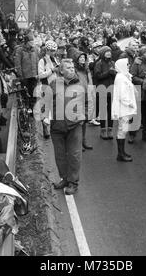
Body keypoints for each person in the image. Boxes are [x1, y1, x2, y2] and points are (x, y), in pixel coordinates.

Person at [51, 59, 85, 196]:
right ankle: (64, 179)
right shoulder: (54, 83)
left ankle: (73, 183)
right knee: (60, 156)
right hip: (57, 126)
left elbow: (89, 101)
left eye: (73, 67)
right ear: (61, 71)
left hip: (74, 126)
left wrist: (84, 116)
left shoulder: (81, 83)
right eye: (68, 67)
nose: (72, 69)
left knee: (74, 155)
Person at [112, 58, 137, 162]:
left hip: (126, 108)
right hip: (124, 108)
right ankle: (120, 154)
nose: (128, 66)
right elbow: (122, 95)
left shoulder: (124, 76)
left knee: (124, 130)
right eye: (126, 64)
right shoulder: (121, 78)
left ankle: (122, 152)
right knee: (122, 130)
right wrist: (130, 103)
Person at [128, 46, 146, 143]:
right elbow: (132, 76)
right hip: (138, 91)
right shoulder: (137, 63)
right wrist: (143, 82)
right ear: (143, 54)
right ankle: (132, 134)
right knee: (135, 114)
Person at [70, 50, 95, 152]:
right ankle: (77, 143)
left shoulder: (86, 69)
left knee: (84, 120)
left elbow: (89, 81)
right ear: (76, 59)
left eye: (84, 58)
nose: (82, 60)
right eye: (80, 58)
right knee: (78, 122)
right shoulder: (74, 69)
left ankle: (84, 141)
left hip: (86, 96)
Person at [37, 41, 59, 139]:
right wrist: (52, 70)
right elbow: (40, 75)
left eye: (54, 50)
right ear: (47, 50)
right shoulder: (42, 61)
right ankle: (45, 127)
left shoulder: (55, 59)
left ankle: (54, 127)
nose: (53, 52)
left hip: (56, 85)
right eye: (51, 51)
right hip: (46, 85)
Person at [94, 46, 116, 140]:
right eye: (107, 52)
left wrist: (114, 73)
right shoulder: (99, 63)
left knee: (111, 111)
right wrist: (108, 72)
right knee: (103, 111)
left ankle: (110, 129)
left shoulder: (112, 63)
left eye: (109, 52)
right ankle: (103, 130)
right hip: (102, 89)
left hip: (111, 89)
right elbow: (97, 76)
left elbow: (116, 75)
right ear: (102, 54)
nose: (109, 53)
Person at [14, 31, 39, 106]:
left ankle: (33, 108)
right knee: (25, 92)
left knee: (33, 92)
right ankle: (26, 106)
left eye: (33, 41)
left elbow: (37, 61)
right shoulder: (20, 50)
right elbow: (17, 64)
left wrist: (38, 73)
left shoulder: (35, 49)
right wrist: (20, 75)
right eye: (31, 41)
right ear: (27, 42)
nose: (32, 43)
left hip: (34, 75)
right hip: (25, 76)